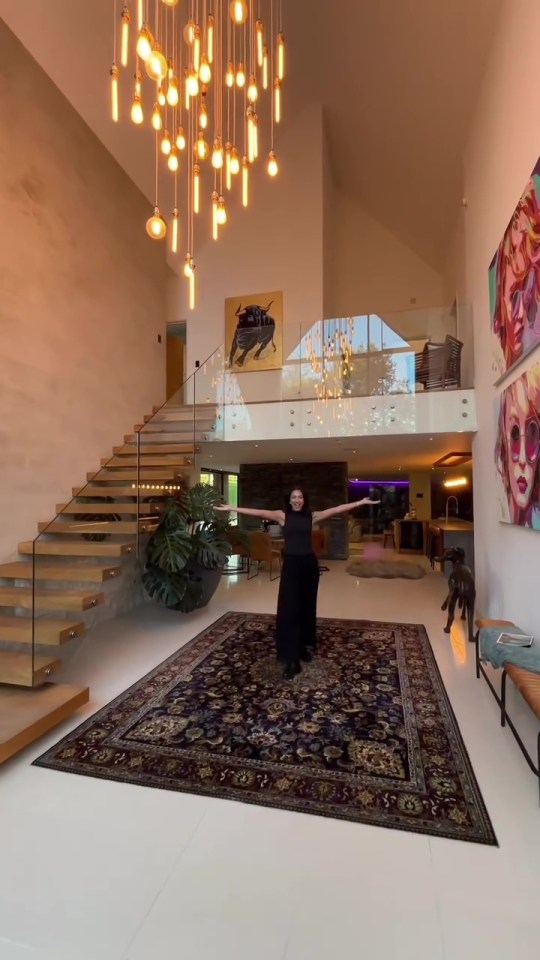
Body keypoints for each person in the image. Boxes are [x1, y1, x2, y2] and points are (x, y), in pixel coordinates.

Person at [215, 487, 380, 680]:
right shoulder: (282, 515)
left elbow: (336, 509)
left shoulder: (312, 516)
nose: (297, 500)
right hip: (291, 566)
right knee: (290, 609)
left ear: (304, 499)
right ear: (289, 500)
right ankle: (291, 659)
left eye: (300, 497)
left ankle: (303, 646)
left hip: (309, 565)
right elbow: (257, 512)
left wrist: (360, 502)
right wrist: (230, 508)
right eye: (294, 497)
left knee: (307, 607)